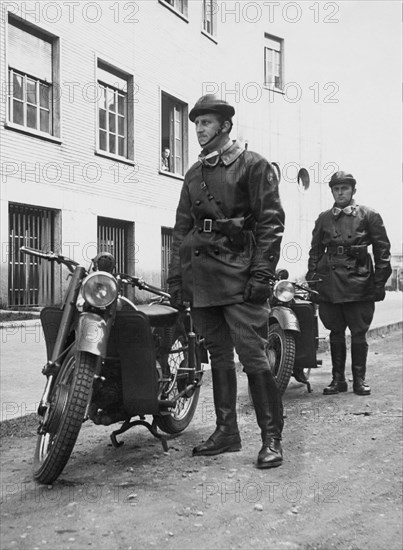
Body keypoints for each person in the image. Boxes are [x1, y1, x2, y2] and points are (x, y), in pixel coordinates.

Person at [167, 94, 285, 468]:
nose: (199, 130)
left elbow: (270, 224)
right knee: (217, 355)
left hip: (240, 276)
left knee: (253, 356)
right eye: (197, 123)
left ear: (225, 126)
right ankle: (227, 431)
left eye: (206, 123)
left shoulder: (254, 165)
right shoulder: (194, 174)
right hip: (203, 280)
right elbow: (181, 231)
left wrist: (263, 274)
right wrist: (176, 281)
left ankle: (271, 439)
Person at [306, 171, 391, 396]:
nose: (340, 192)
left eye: (345, 188)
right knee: (335, 331)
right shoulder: (323, 218)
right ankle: (337, 380)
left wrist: (379, 283)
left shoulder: (369, 215)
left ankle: (359, 380)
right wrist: (313, 280)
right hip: (330, 281)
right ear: (332, 191)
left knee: (358, 332)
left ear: (353, 190)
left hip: (359, 281)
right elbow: (314, 252)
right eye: (336, 189)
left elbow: (383, 251)